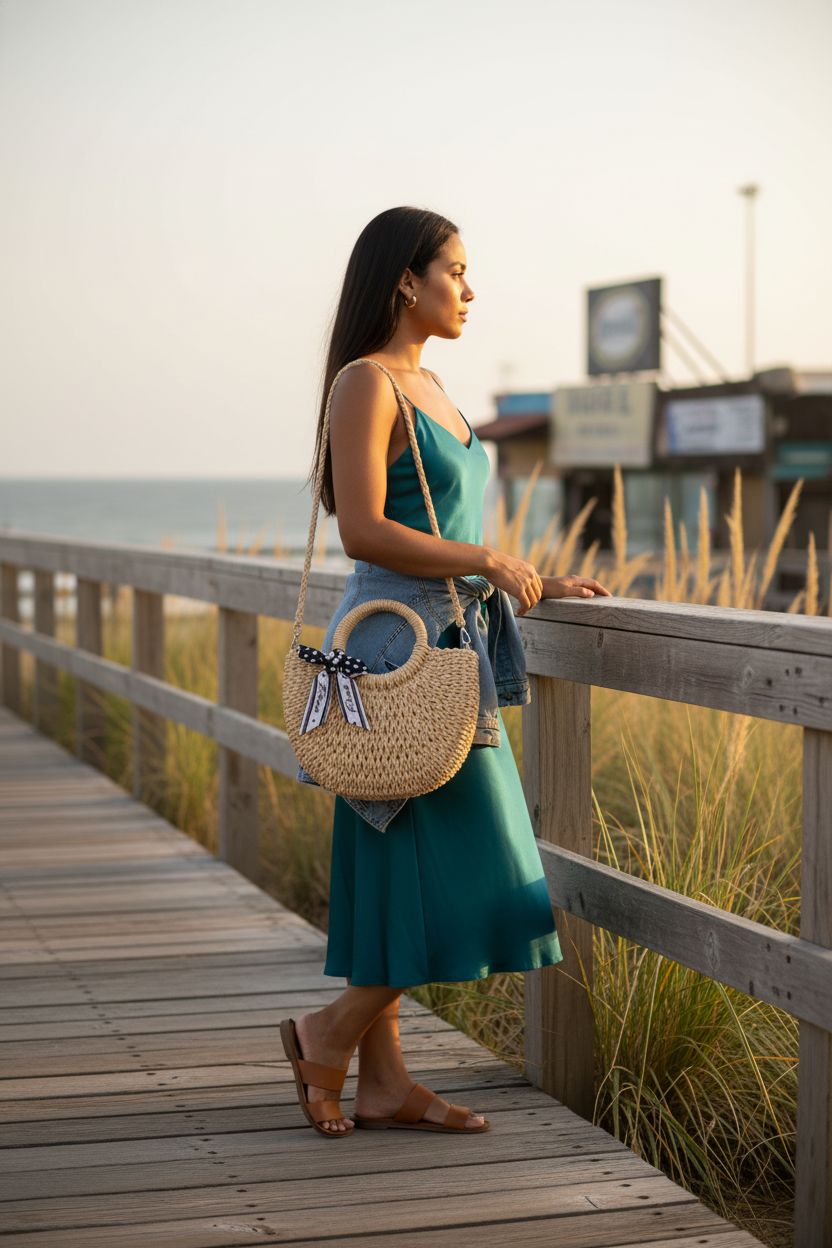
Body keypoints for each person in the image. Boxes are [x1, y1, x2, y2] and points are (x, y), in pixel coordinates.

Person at [281, 206, 611, 1138]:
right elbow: (362, 529)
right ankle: (327, 1033)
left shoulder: (433, 385)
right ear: (406, 280)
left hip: (454, 646)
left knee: (400, 878)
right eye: (455, 271)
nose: (470, 289)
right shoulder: (366, 381)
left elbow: (441, 523)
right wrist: (487, 559)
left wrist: (530, 576)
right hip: (397, 654)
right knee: (490, 879)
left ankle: (383, 1084)